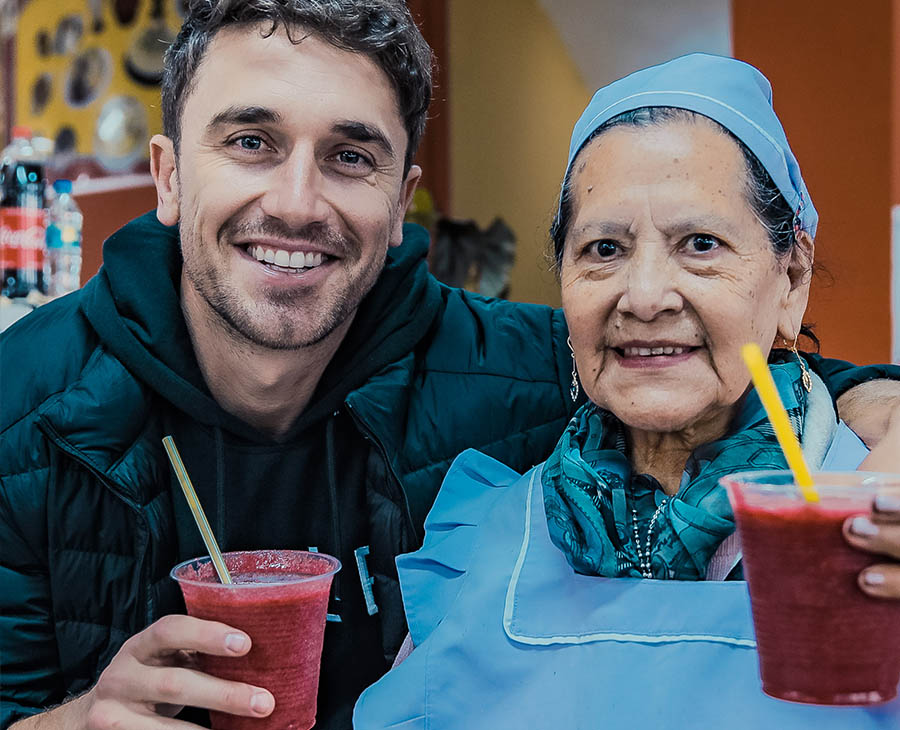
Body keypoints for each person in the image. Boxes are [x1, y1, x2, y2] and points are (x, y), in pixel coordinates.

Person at [0, 6, 896, 727]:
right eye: (250, 142)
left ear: (402, 201)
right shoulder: (21, 407)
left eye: (351, 157)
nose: (296, 200)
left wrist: (881, 409)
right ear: (166, 177)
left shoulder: (510, 373)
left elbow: (715, 366)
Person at [353, 54, 900, 729]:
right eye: (604, 249)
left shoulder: (882, 523)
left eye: (700, 243)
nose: (643, 297)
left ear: (791, 279)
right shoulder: (481, 541)